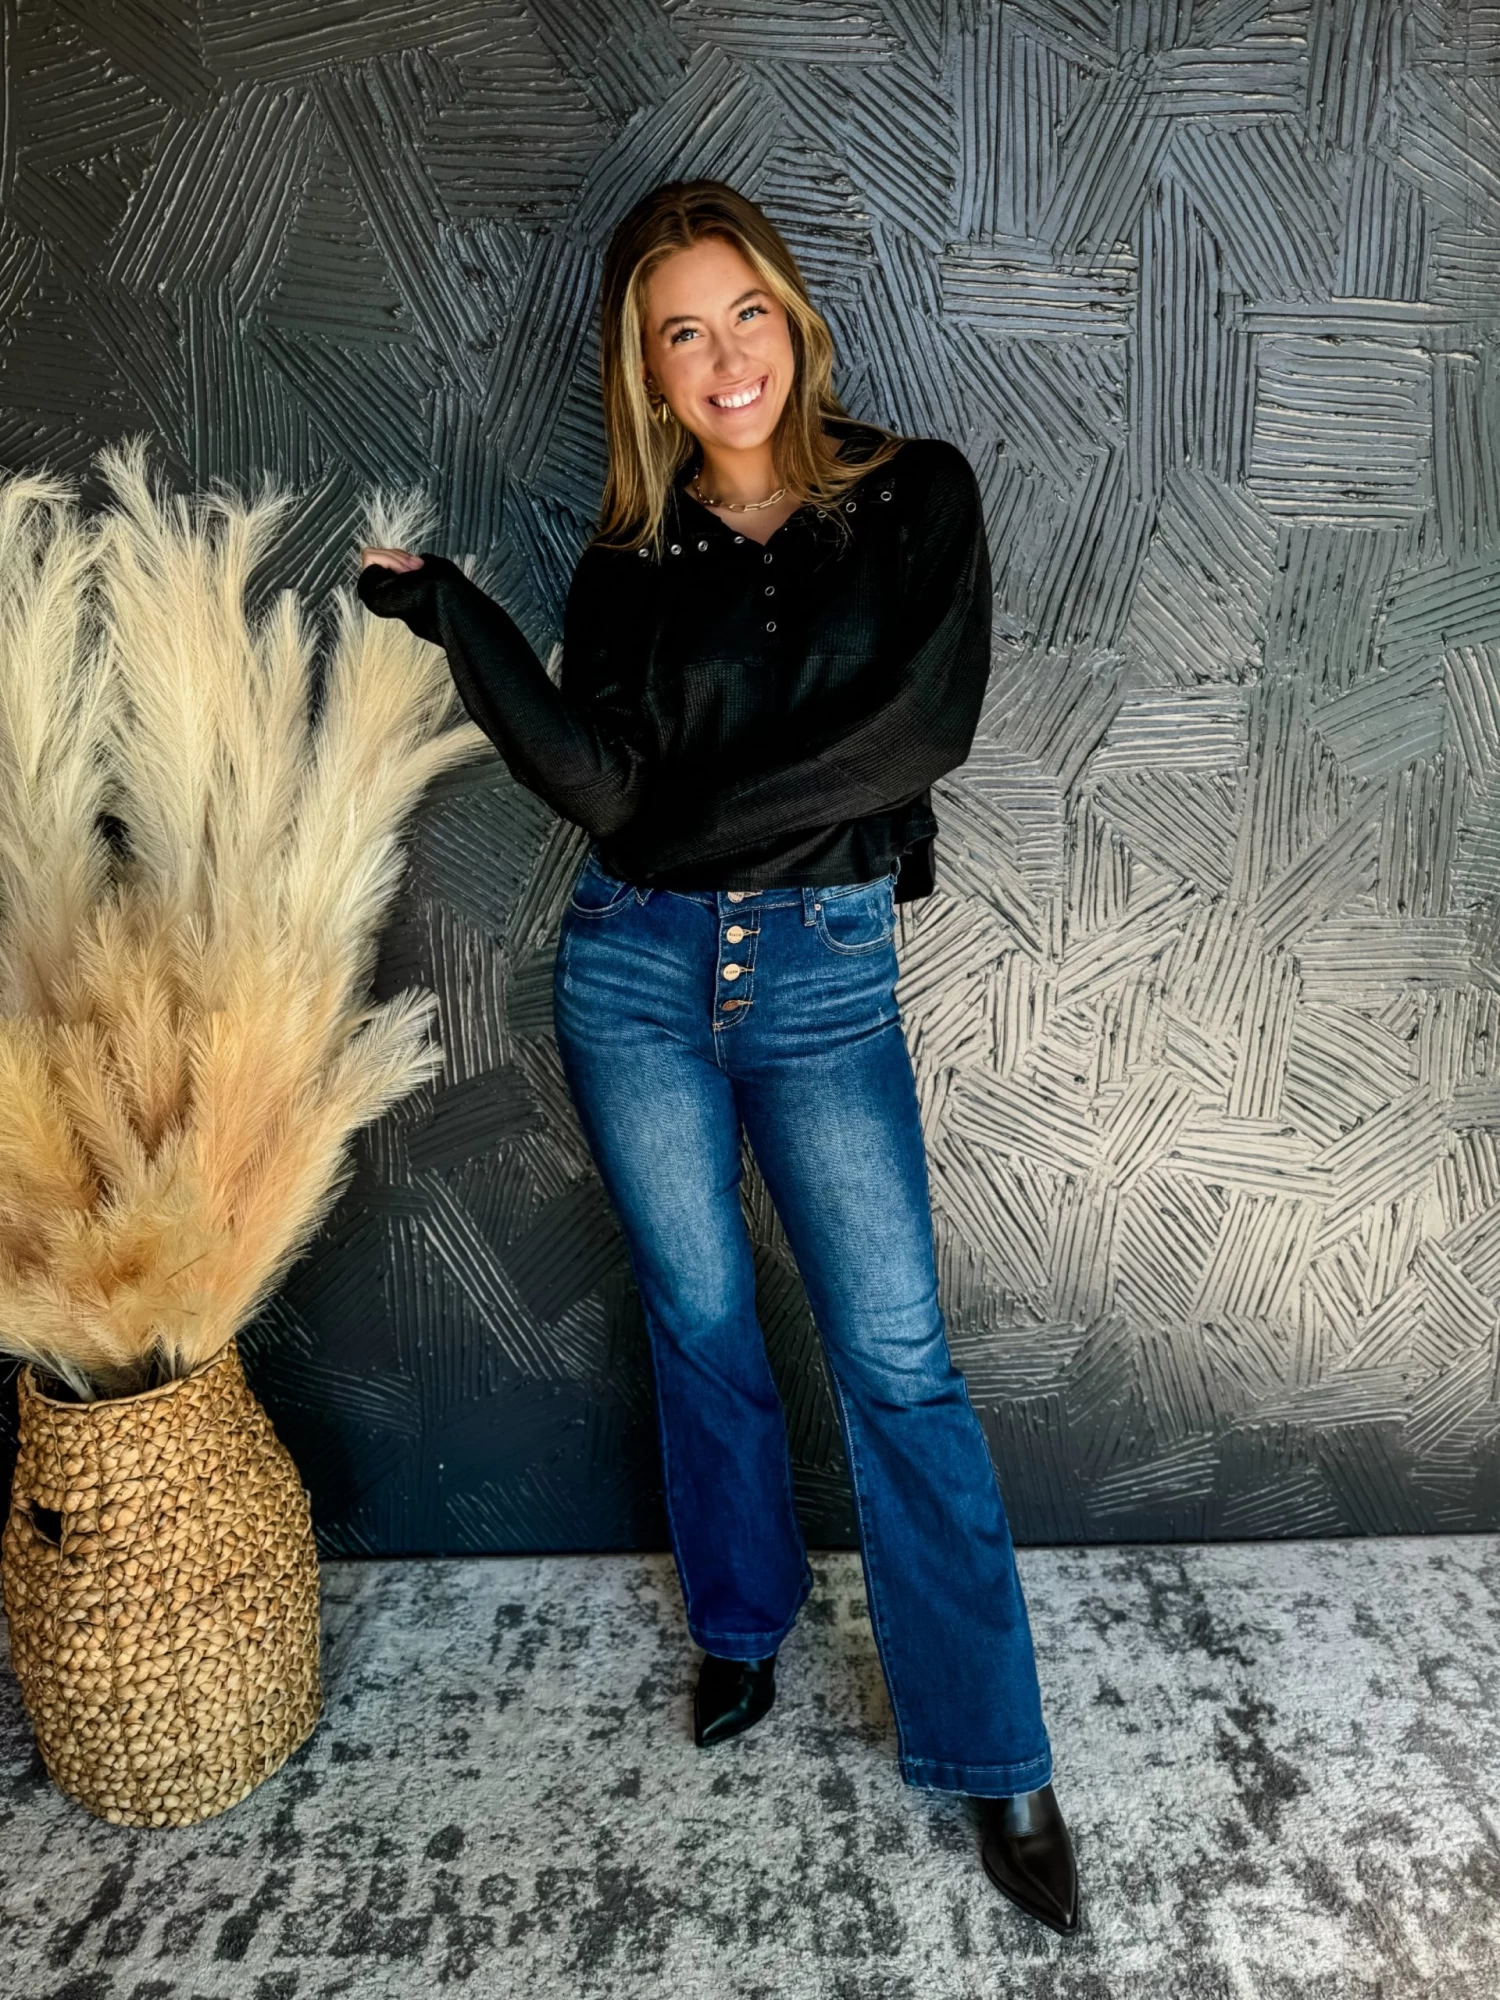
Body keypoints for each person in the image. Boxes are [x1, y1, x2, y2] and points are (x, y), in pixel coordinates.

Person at [358, 178, 1079, 1937]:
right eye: (683, 331)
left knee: (896, 1357)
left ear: (793, 317)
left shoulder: (917, 495)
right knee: (698, 1322)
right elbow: (594, 788)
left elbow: (915, 735)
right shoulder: (628, 568)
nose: (725, 355)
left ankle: (998, 1755)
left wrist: (680, 831)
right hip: (634, 979)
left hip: (823, 977)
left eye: (744, 311)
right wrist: (461, 618)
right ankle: (743, 1630)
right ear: (649, 369)